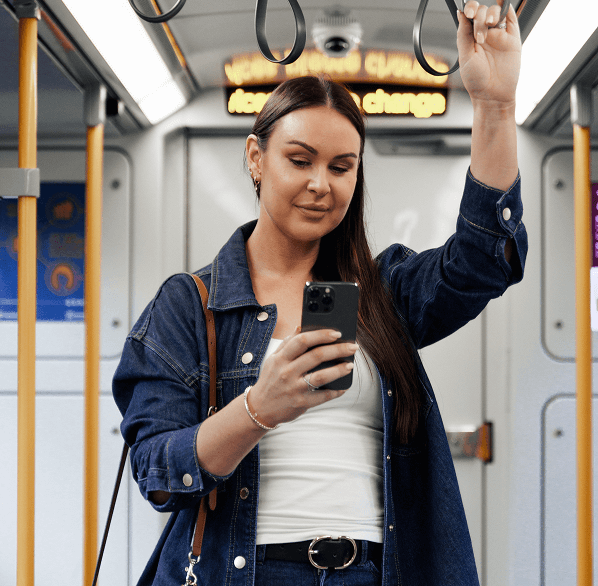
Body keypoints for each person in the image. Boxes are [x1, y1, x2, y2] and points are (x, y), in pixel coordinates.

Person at [113, 2, 527, 585]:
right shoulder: (190, 304)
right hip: (246, 573)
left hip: (371, 571)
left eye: (342, 167)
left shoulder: (381, 295)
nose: (320, 184)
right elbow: (158, 471)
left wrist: (494, 105)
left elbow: (482, 262)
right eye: (299, 160)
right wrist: (258, 409)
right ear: (256, 158)